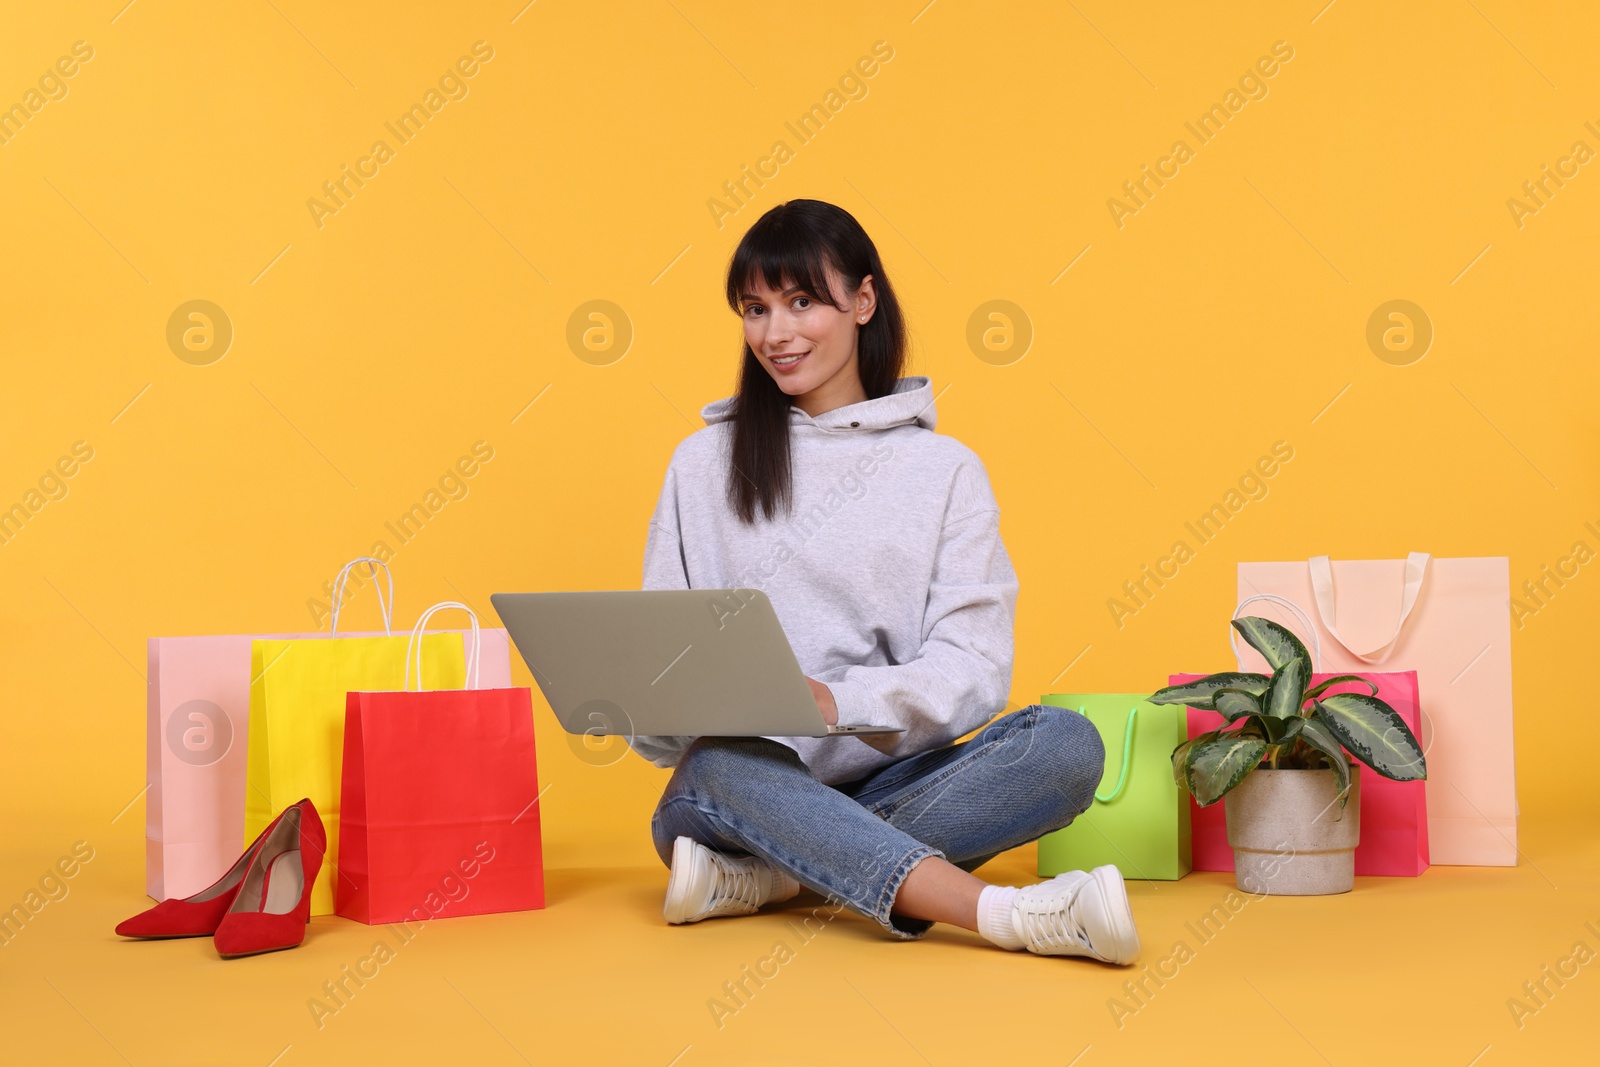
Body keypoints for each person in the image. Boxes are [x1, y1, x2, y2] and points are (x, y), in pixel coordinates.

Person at [627, 199, 1140, 963]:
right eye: (755, 309)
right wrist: (650, 699)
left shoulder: (944, 471)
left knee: (1063, 747)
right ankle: (1004, 913)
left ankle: (777, 875)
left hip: (895, 781)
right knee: (722, 762)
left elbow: (975, 668)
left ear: (864, 301)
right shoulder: (701, 465)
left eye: (803, 301)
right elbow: (660, 721)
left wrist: (840, 702)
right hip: (734, 791)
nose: (777, 332)